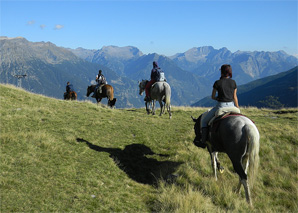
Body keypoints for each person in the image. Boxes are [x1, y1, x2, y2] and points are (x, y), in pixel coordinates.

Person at [195, 64, 239, 148]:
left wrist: (217, 98)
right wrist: (237, 107)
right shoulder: (233, 82)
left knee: (204, 121)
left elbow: (212, 96)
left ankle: (203, 141)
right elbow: (235, 97)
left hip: (221, 107)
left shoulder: (217, 83)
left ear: (221, 72)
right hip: (232, 106)